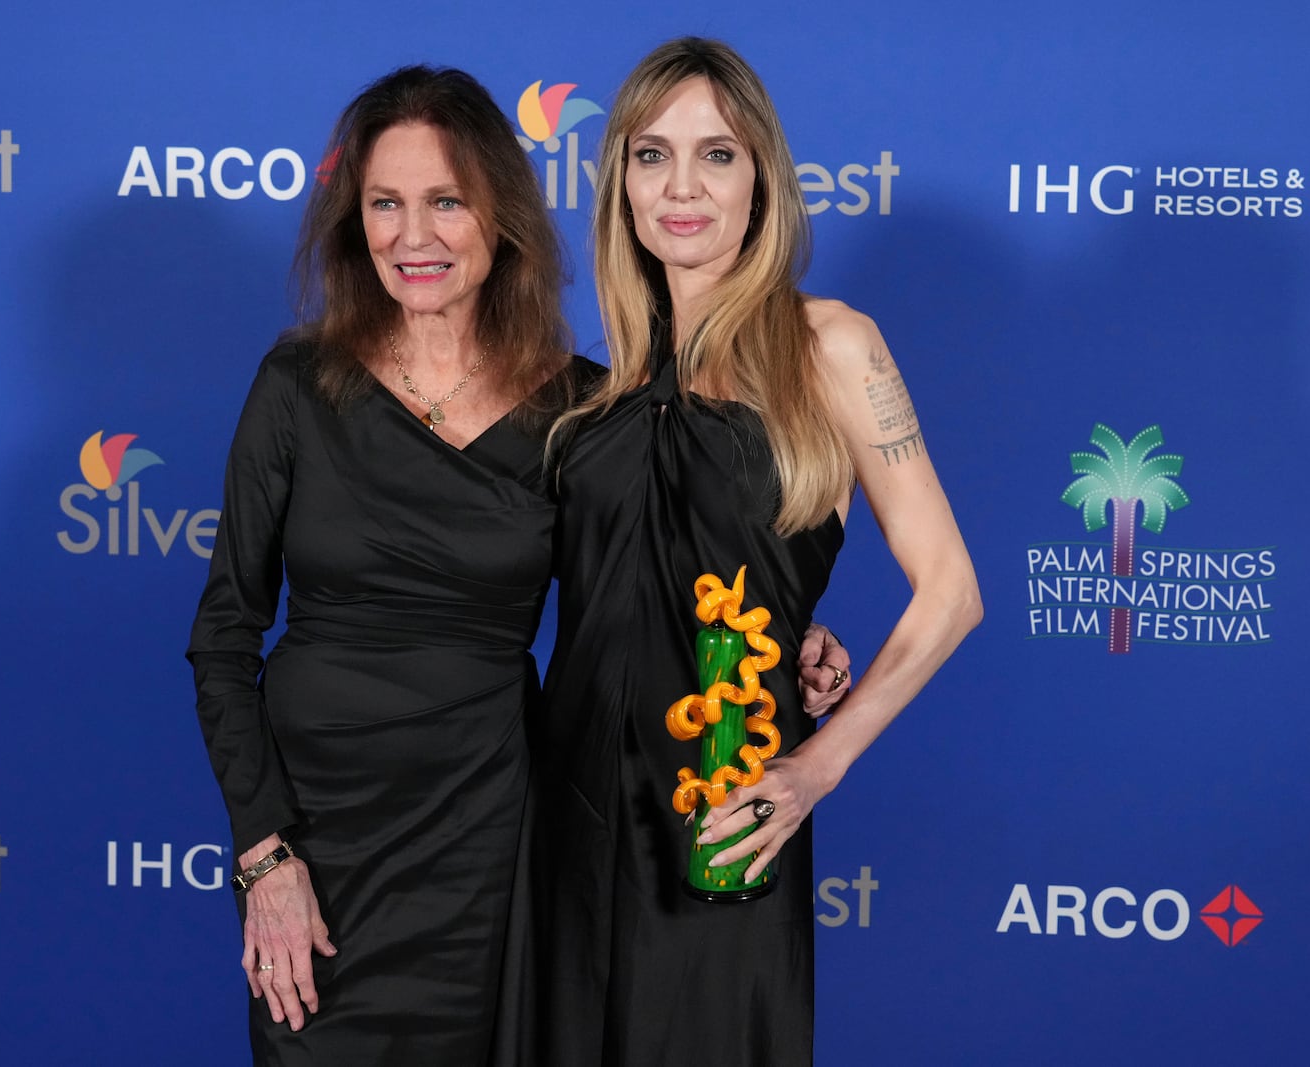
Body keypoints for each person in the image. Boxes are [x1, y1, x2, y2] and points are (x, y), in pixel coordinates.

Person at [187, 63, 851, 1065]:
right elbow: (223, 636)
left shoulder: (580, 408)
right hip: (316, 851)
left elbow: (656, 584)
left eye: (445, 202)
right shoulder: (296, 381)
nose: (415, 238)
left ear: (500, 214)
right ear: (351, 220)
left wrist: (782, 630)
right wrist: (266, 852)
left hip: (496, 847)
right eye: (385, 205)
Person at [535, 37, 983, 1066]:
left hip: (724, 810)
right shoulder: (589, 394)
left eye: (716, 154)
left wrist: (814, 767)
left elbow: (950, 589)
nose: (681, 186)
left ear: (762, 179)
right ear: (620, 187)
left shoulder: (829, 344)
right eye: (651, 156)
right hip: (567, 811)